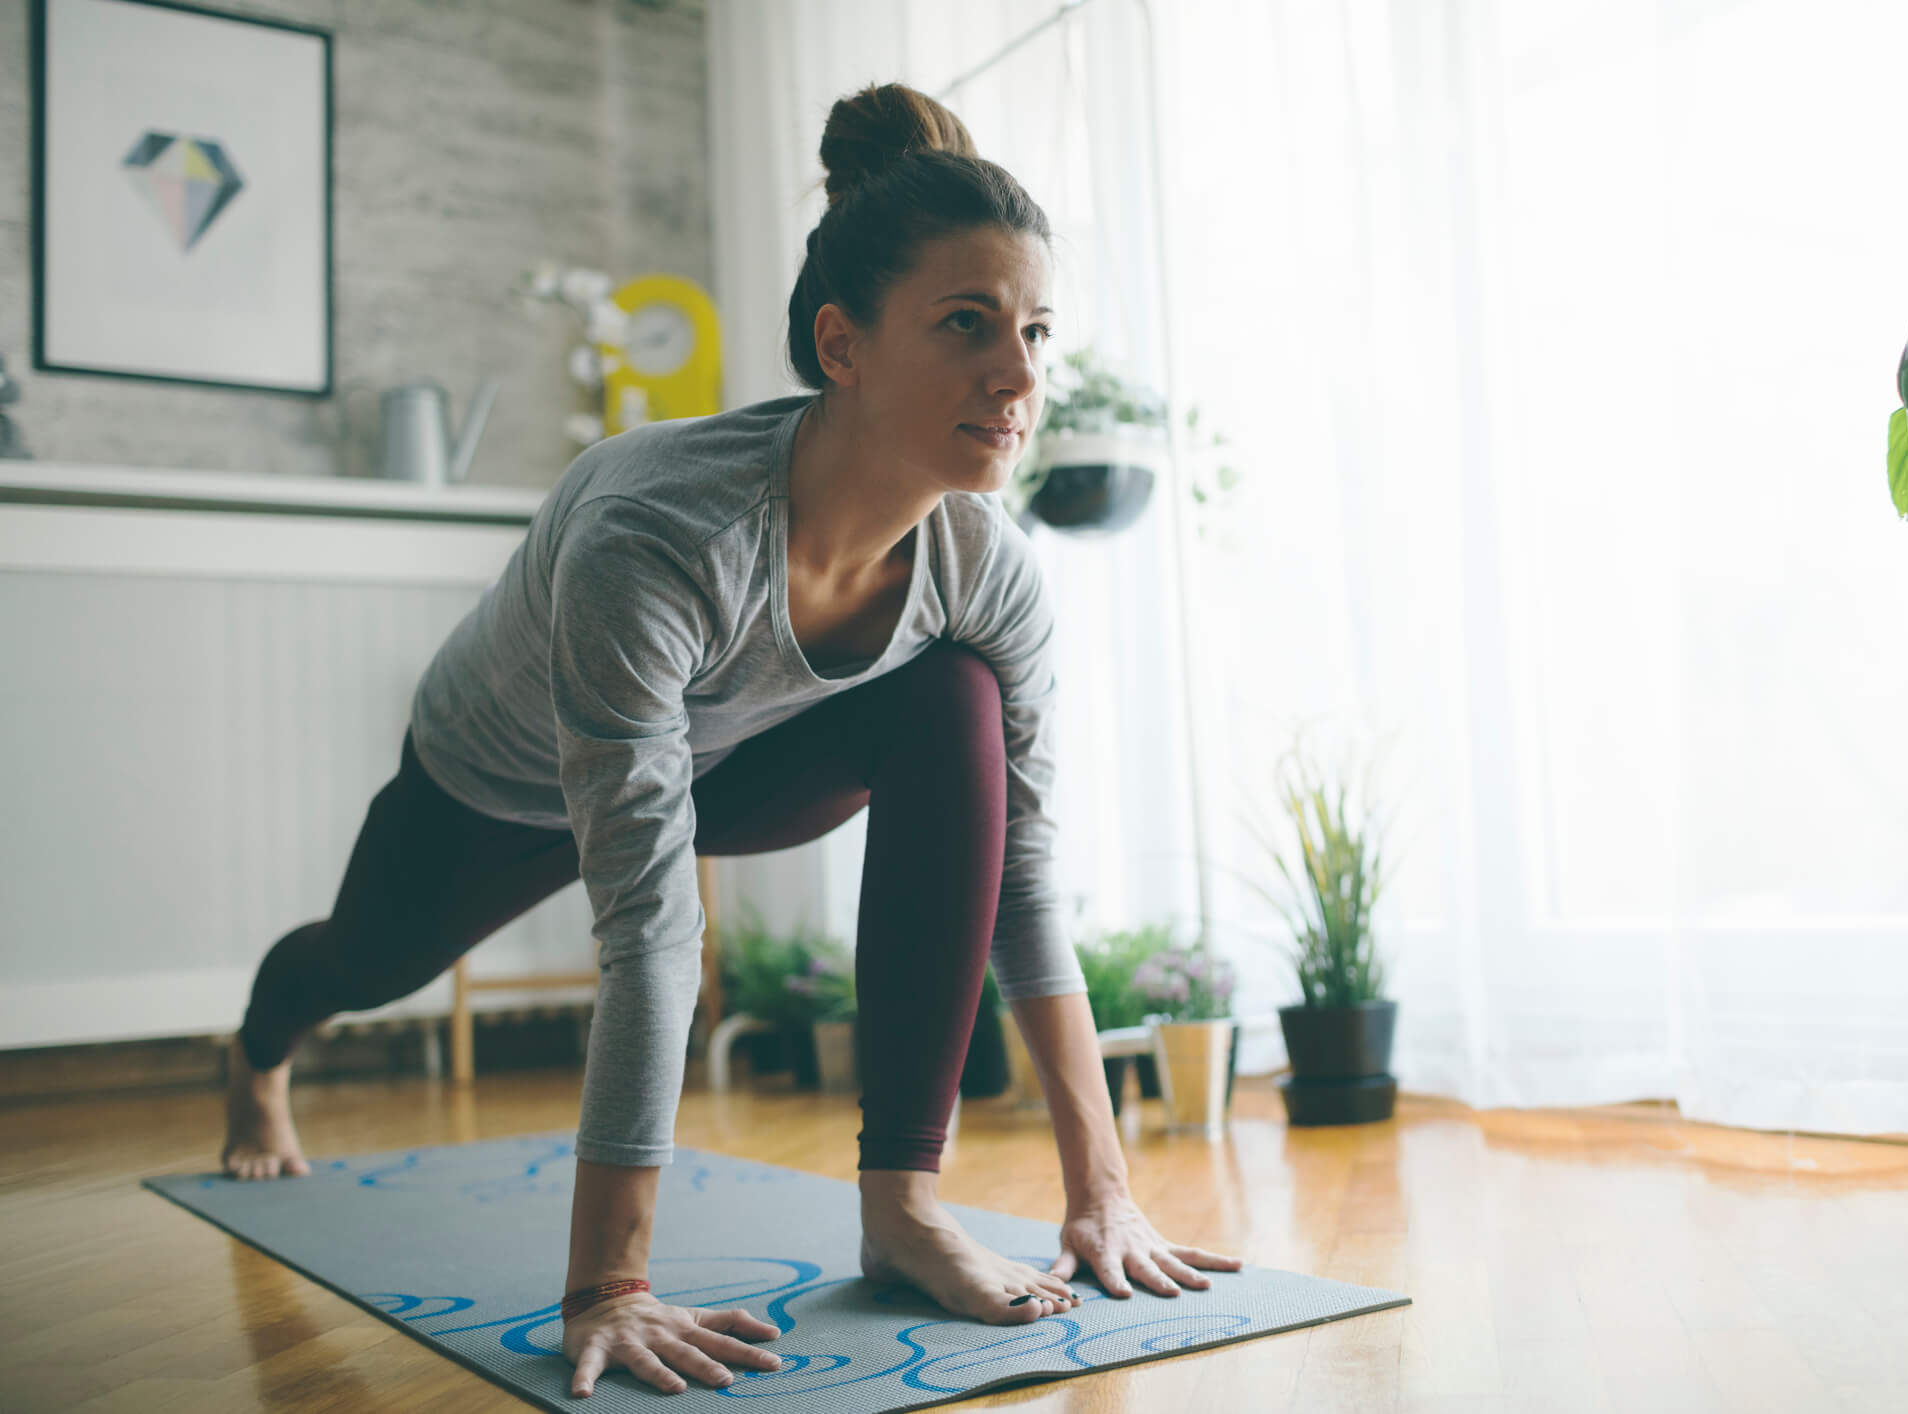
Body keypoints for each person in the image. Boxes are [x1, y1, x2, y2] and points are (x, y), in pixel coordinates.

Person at [217, 80, 1242, 1398]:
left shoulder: (986, 564)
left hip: (742, 760)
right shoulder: (654, 533)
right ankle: (253, 1054)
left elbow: (1021, 873)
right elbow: (649, 925)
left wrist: (1104, 1193)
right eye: (967, 324)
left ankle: (902, 1204)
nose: (1021, 375)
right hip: (502, 776)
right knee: (367, 959)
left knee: (953, 705)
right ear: (844, 344)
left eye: (1036, 330)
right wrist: (609, 1285)